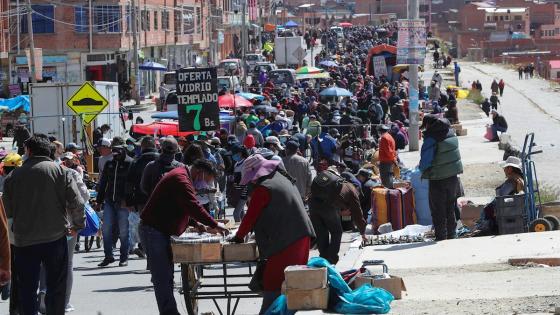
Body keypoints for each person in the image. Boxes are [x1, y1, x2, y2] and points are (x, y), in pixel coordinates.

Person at [3, 134, 85, 315]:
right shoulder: (62, 172)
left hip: (24, 242)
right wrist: (78, 225)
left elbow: (7, 213)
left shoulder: (13, 176)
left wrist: (11, 240)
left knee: (27, 289)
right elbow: (77, 203)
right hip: (55, 239)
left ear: (29, 151)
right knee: (56, 287)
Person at [140, 159, 229, 315]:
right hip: (154, 231)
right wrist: (214, 224)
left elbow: (183, 206)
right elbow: (192, 205)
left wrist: (197, 224)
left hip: (161, 231)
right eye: (206, 181)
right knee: (162, 278)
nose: (204, 186)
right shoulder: (180, 178)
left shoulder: (182, 177)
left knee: (167, 278)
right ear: (200, 172)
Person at [230, 154, 315, 314]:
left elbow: (249, 218)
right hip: (300, 237)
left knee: (274, 283)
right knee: (288, 285)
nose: (251, 182)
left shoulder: (264, 188)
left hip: (288, 242)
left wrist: (238, 237)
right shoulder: (282, 178)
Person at [309, 169, 367, 264]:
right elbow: (358, 213)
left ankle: (323, 258)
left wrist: (340, 212)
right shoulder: (352, 190)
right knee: (336, 231)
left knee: (321, 232)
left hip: (312, 203)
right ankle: (331, 259)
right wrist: (363, 232)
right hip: (327, 206)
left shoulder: (339, 184)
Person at [419, 116, 463, 241]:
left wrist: (422, 170)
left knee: (438, 209)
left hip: (438, 179)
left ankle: (441, 237)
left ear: (429, 125)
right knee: (450, 207)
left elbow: (425, 162)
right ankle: (452, 235)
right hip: (453, 177)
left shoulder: (432, 137)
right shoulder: (450, 132)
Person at [96, 138, 134, 267]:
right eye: (113, 152)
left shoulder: (130, 163)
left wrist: (129, 202)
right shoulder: (109, 164)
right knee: (106, 229)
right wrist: (99, 200)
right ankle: (108, 256)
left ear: (123, 150)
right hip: (109, 201)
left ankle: (124, 257)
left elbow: (133, 185)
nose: (115, 154)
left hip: (123, 203)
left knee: (124, 230)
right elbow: (103, 183)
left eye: (117, 151)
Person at [126, 136, 159, 259]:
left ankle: (145, 248)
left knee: (145, 226)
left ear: (143, 147)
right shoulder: (162, 160)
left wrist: (129, 202)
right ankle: (154, 251)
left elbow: (129, 183)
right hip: (161, 200)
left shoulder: (136, 162)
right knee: (158, 227)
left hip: (142, 201)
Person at [378, 124, 396, 189]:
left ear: (380, 131)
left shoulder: (384, 138)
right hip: (389, 161)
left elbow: (388, 151)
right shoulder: (390, 137)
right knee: (389, 179)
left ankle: (388, 195)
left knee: (386, 182)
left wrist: (393, 160)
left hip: (386, 162)